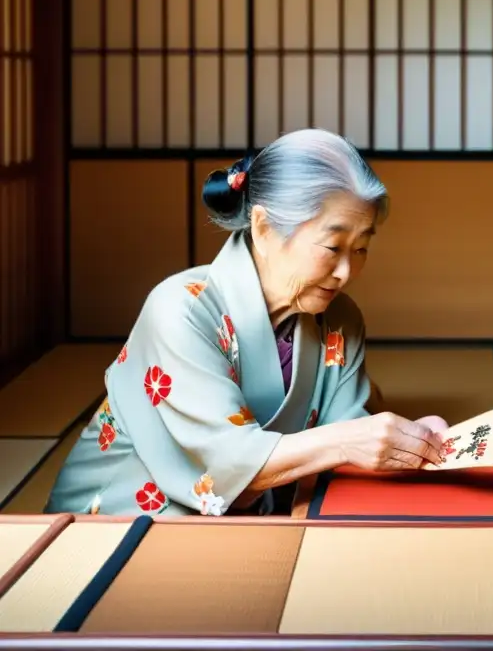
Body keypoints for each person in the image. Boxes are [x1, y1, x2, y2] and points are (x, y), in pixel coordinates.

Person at [45, 128, 449, 517]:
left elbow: (348, 432)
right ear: (265, 228)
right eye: (332, 246)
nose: (346, 271)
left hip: (241, 526)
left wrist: (409, 444)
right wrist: (349, 441)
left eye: (361, 248)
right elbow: (227, 460)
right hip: (115, 520)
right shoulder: (181, 310)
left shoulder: (341, 319)